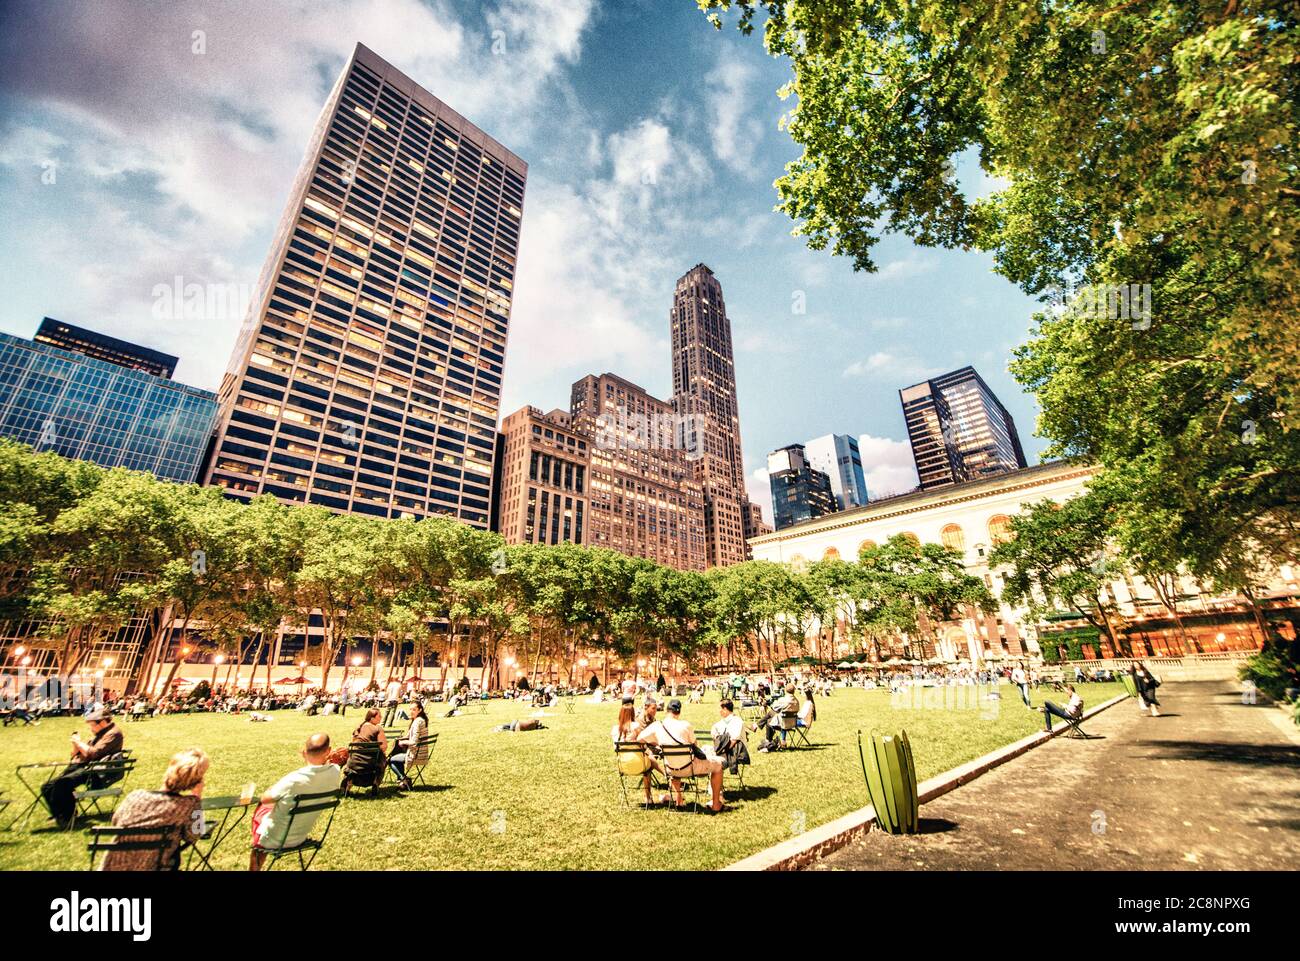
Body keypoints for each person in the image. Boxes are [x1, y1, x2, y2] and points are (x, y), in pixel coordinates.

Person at [101, 748, 209, 871]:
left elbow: (116, 822)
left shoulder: (134, 796)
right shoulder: (189, 806)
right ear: (196, 781)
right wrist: (197, 796)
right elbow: (194, 835)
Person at [249, 733, 341, 870]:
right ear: (328, 750)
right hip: (300, 836)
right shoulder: (335, 773)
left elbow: (264, 799)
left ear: (304, 752)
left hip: (274, 838)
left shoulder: (294, 779)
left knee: (263, 808)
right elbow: (332, 765)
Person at [41, 707, 125, 828]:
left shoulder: (114, 733)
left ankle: (68, 818)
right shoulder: (100, 733)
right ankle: (59, 814)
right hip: (84, 766)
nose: (91, 729)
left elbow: (93, 753)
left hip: (96, 771)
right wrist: (76, 744)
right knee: (47, 787)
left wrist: (79, 743)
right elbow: (76, 754)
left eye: (92, 726)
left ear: (102, 722)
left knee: (63, 783)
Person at [638, 699, 723, 812]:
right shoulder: (685, 725)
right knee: (719, 765)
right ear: (679, 712)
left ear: (666, 711)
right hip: (689, 768)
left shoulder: (657, 725)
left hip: (670, 770)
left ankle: (679, 800)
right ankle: (716, 804)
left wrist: (657, 742)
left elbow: (639, 739)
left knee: (674, 762)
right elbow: (694, 744)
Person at [612, 698, 663, 805]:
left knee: (648, 759)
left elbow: (615, 748)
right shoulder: (636, 727)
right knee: (648, 766)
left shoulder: (614, 729)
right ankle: (648, 797)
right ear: (632, 714)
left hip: (623, 765)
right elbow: (643, 742)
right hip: (640, 764)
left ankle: (666, 776)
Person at [341, 709, 388, 792]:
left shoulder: (359, 728)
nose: (381, 717)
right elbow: (384, 746)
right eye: (379, 716)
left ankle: (348, 784)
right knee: (383, 759)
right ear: (372, 718)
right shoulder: (377, 728)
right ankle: (376, 783)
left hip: (353, 764)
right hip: (371, 764)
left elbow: (354, 743)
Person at [388, 700, 427, 790]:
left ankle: (404, 780)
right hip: (422, 752)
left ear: (420, 710)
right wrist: (400, 739)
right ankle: (402, 783)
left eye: (414, 709)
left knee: (391, 760)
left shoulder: (417, 722)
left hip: (416, 754)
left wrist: (402, 742)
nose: (411, 711)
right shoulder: (421, 720)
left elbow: (414, 742)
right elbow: (409, 735)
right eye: (410, 709)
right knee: (396, 756)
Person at [711, 699, 750, 776]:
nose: (719, 711)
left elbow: (733, 741)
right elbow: (714, 732)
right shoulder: (722, 722)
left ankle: (714, 787)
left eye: (720, 708)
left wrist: (719, 752)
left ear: (725, 709)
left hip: (735, 752)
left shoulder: (737, 721)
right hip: (723, 750)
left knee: (713, 763)